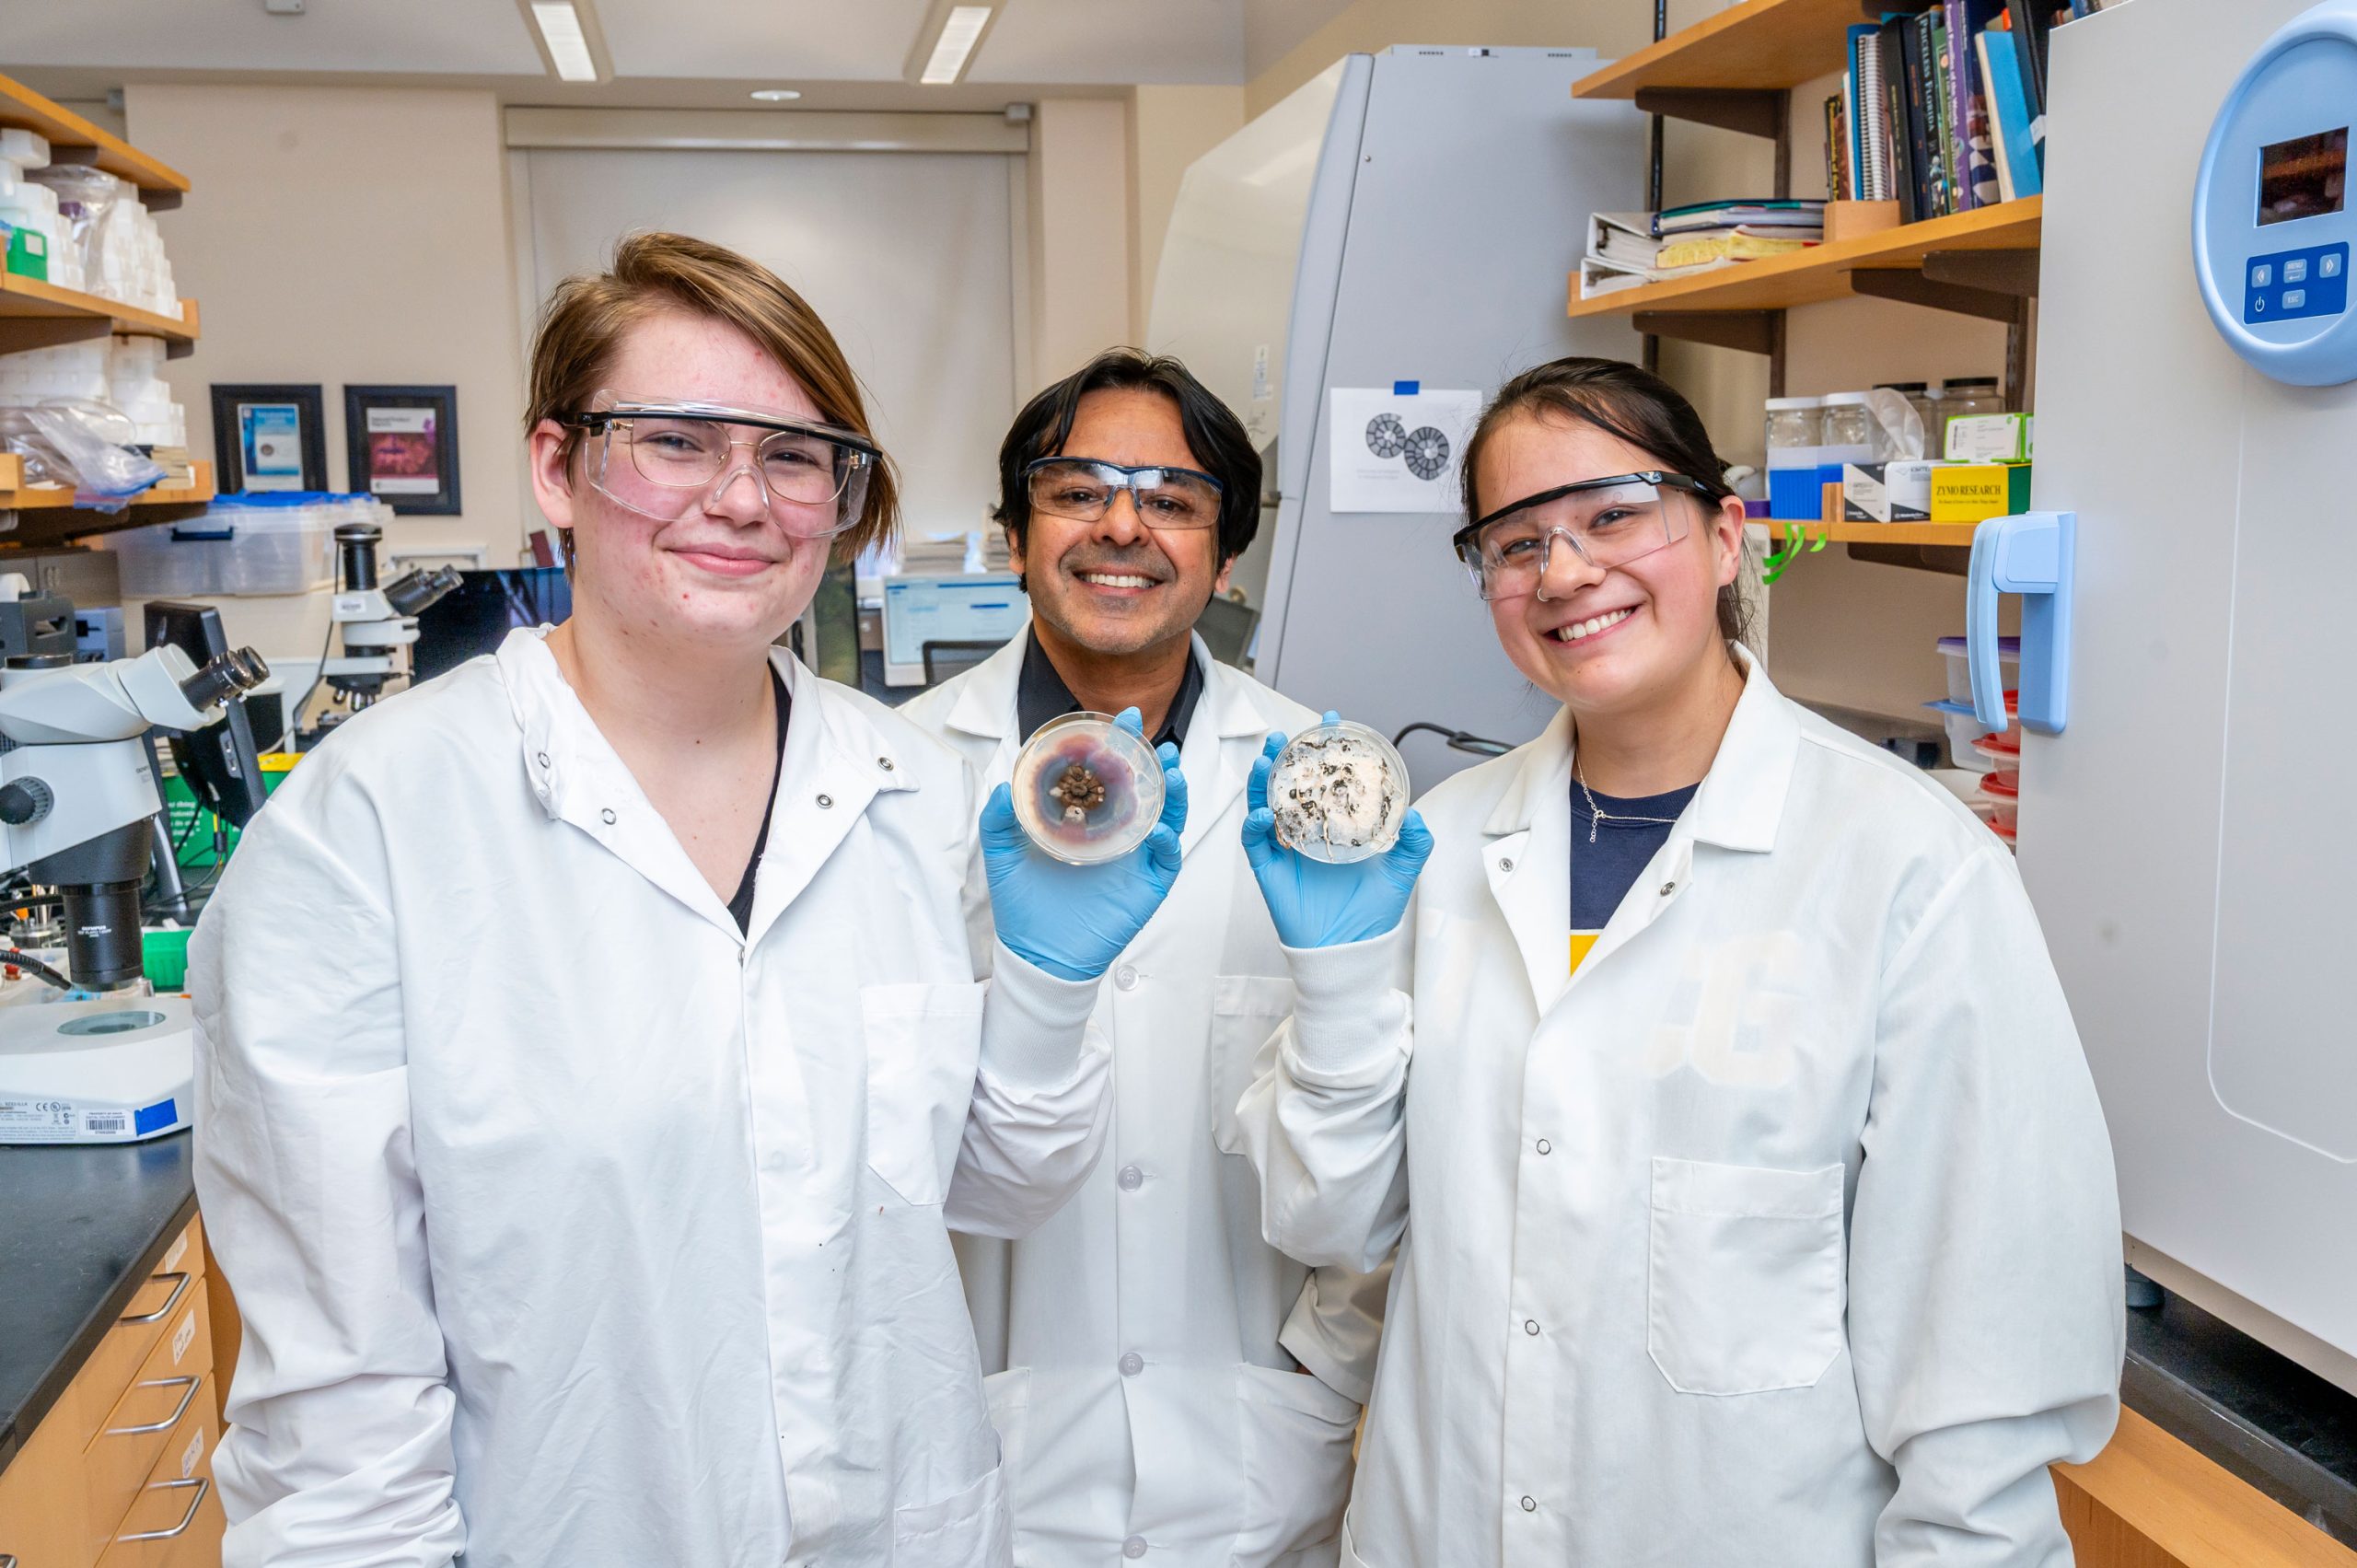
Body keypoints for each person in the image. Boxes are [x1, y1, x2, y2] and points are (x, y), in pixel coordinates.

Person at [192, 233, 1189, 1568]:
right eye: (675, 440)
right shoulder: (365, 829)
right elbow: (338, 1408)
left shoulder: (919, 792)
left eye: (793, 456)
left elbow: (999, 1189)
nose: (742, 498)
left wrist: (1054, 992)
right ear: (559, 466)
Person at [1234, 356, 2123, 1566]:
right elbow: (1331, 1226)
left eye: (1614, 515)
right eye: (1514, 543)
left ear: (1723, 537)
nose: (1565, 572)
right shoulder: (1434, 853)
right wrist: (1334, 978)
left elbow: (1987, 1376)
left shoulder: (1910, 871)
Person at [901, 349, 1386, 1568]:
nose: (1123, 525)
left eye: (1173, 500)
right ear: (1016, 533)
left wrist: (1317, 1366)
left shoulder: (1319, 787)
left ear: (1222, 559)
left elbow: (1382, 1142)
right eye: (1077, 489)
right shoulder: (890, 782)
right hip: (970, 1461)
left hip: (1249, 1468)